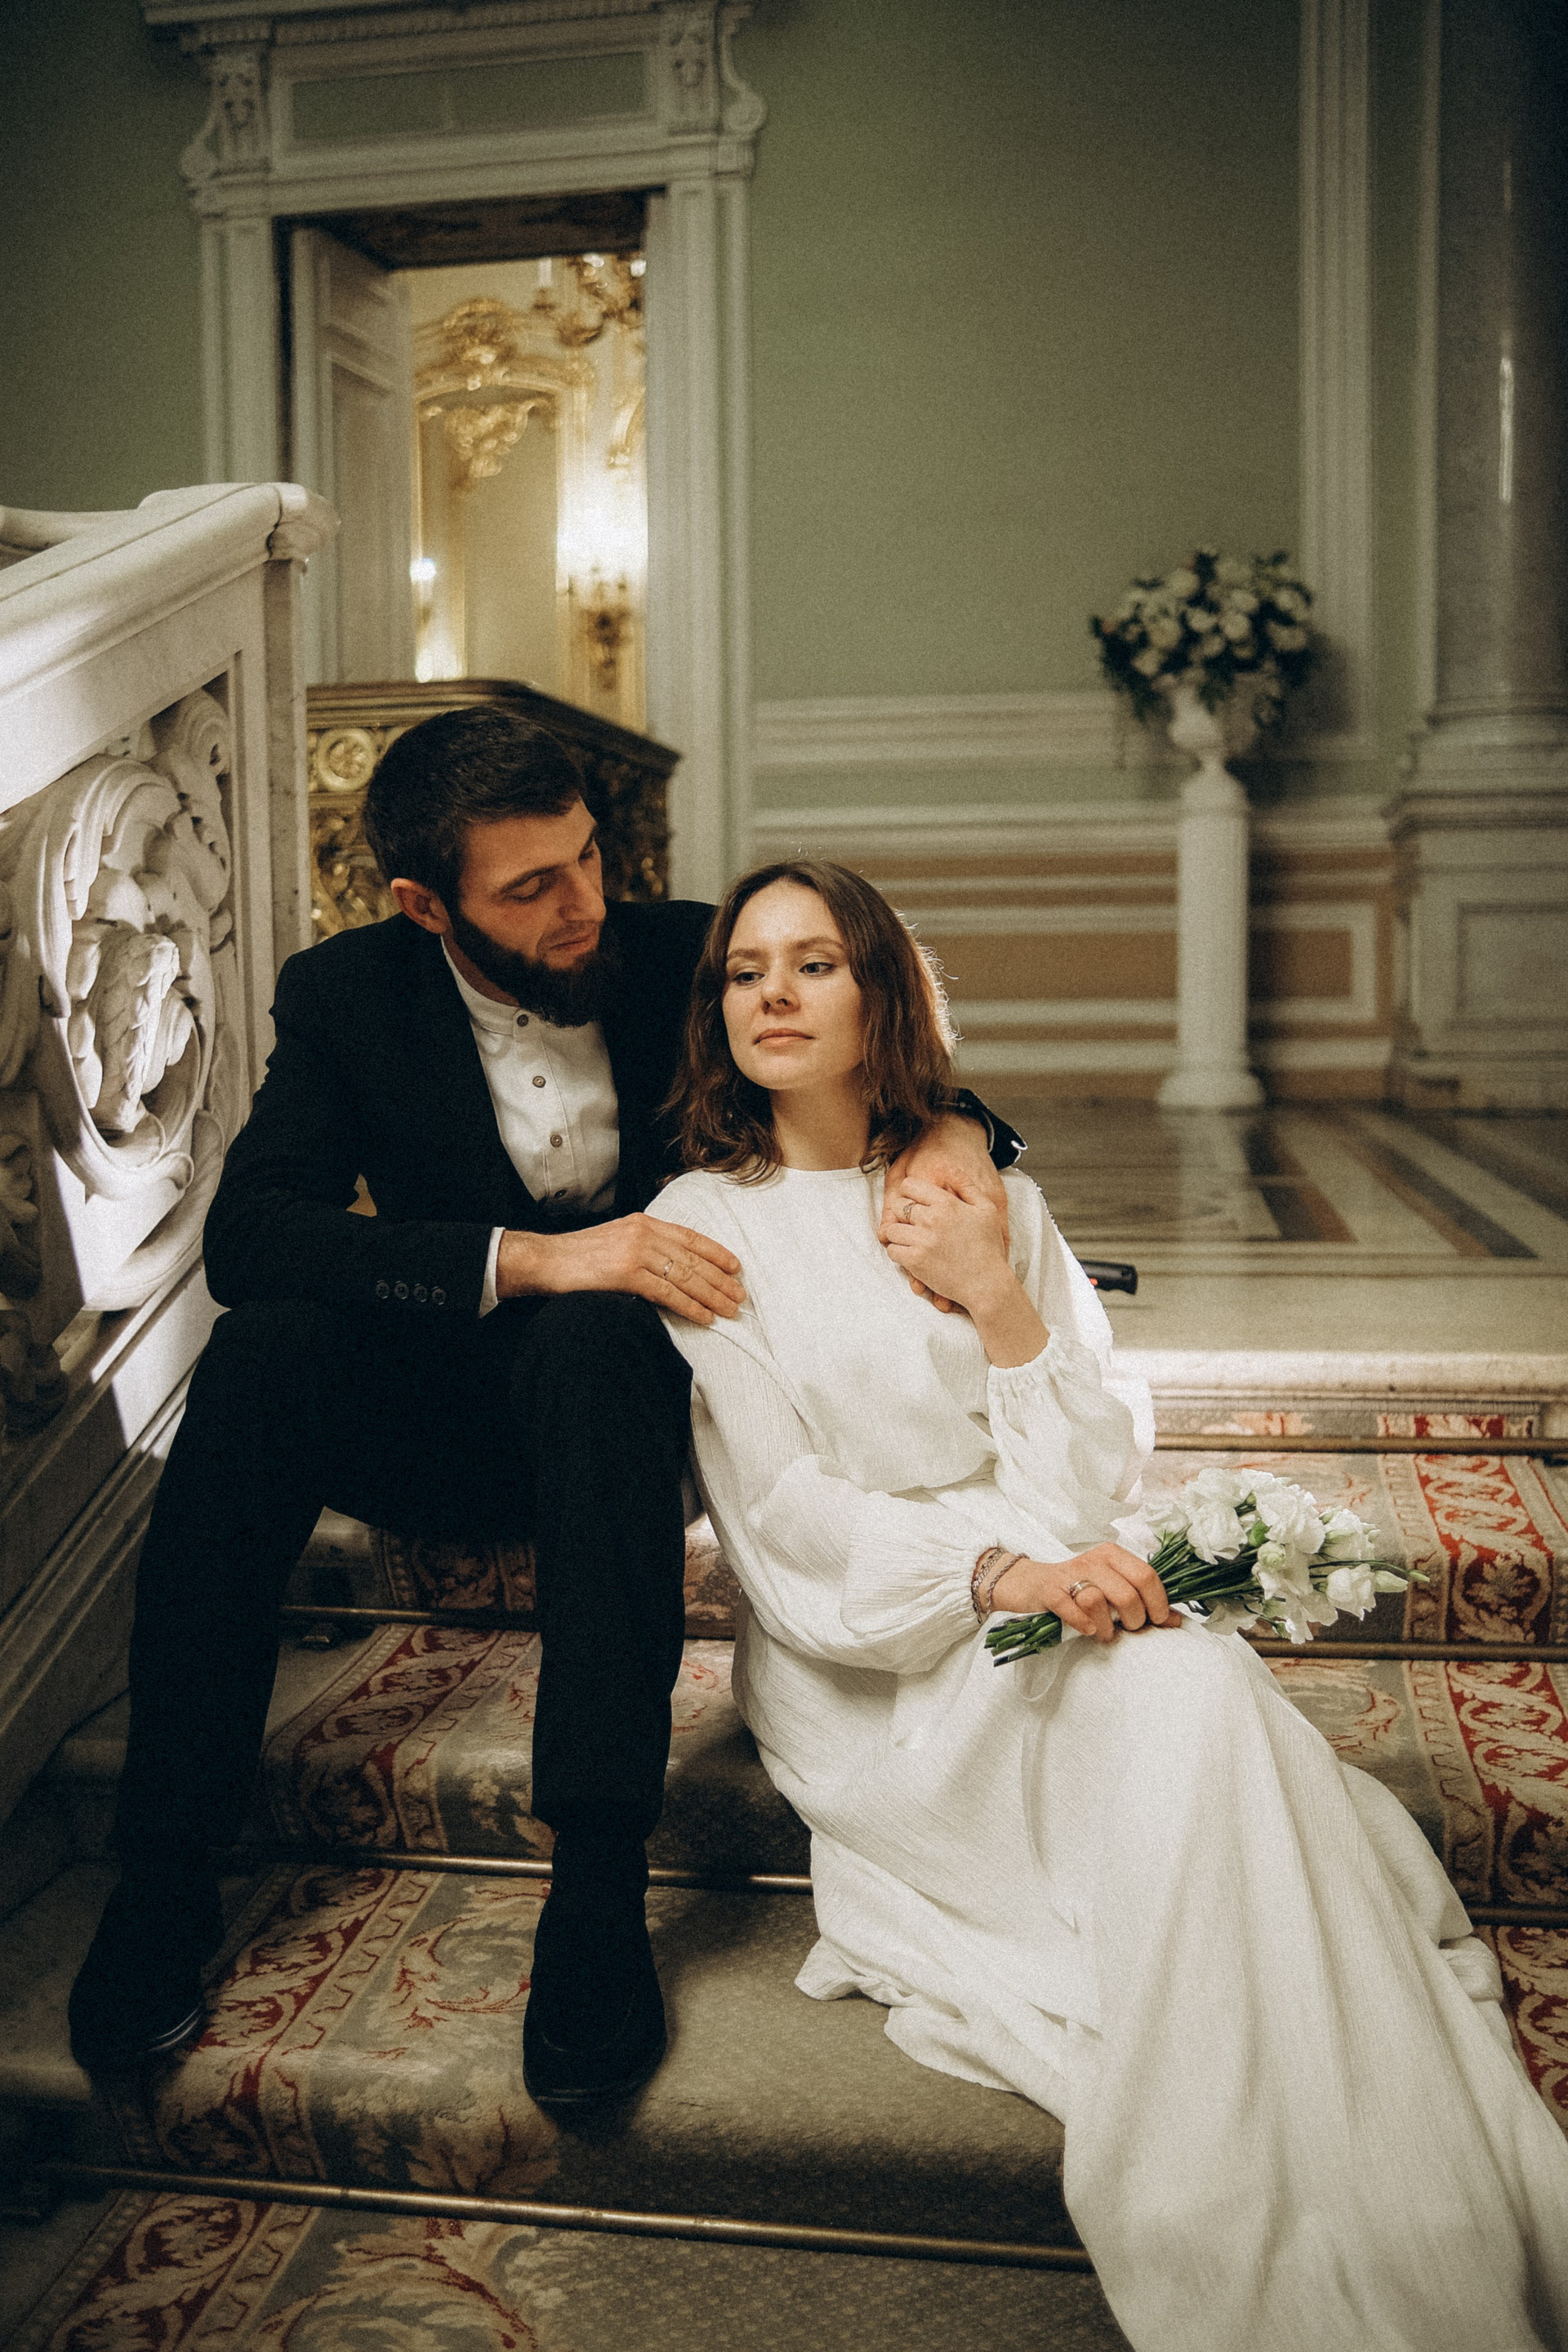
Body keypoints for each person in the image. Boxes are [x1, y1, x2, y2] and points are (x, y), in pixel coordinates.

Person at [655, 856, 1568, 2352]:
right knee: (1180, 1692)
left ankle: (1338, 2141)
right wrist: (993, 1575)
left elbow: (1087, 1472)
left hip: (1051, 1553)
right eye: (746, 972)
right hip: (873, 1647)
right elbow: (782, 1510)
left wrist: (994, 1287)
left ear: (881, 993)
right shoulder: (704, 1220)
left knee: (1187, 1683)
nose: (774, 995)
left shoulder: (985, 1189)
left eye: (815, 964)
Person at [66, 709, 1020, 2105]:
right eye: (531, 887)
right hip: (459, 1410)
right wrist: (535, 1258)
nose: (584, 905)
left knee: (599, 1337)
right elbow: (252, 1235)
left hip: (650, 1416)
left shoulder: (686, 951)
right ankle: (163, 1871)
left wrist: (950, 1129)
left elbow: (910, 1073)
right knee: (261, 1352)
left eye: (587, 857)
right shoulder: (347, 994)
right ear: (425, 905)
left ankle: (596, 1880)